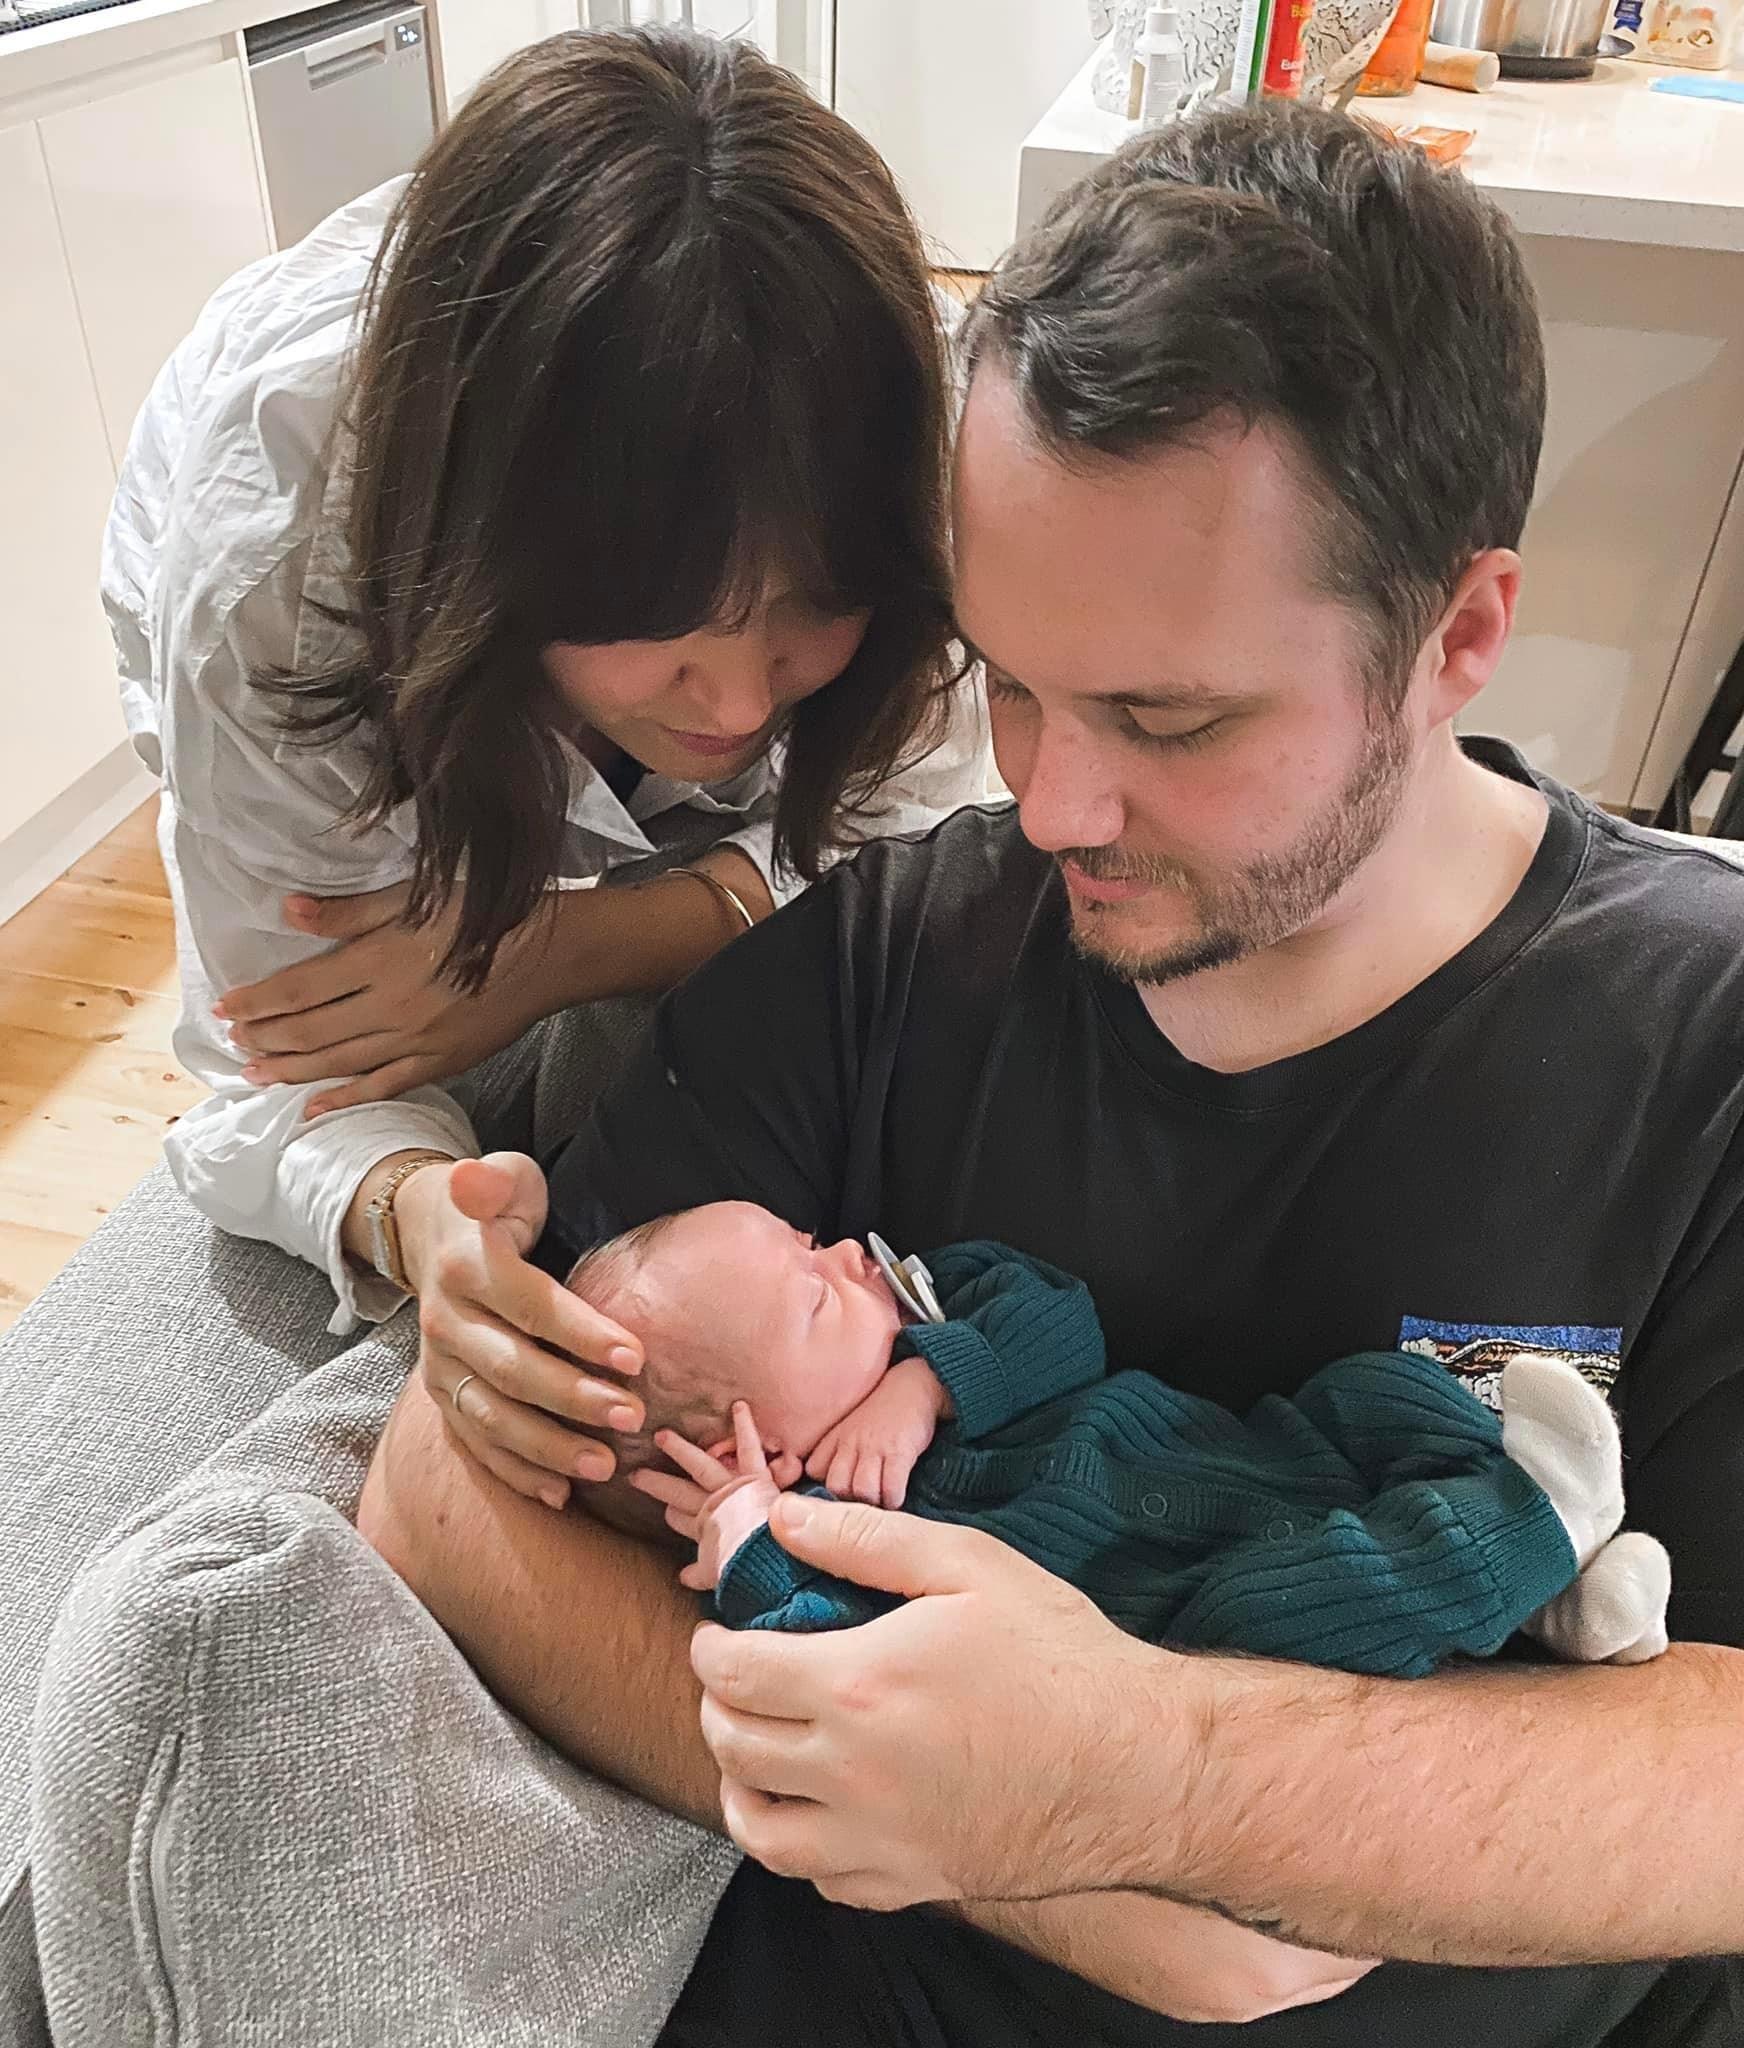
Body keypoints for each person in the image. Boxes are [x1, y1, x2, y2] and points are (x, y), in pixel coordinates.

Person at [357, 103, 1744, 2045]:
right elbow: (444, 1487)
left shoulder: (1694, 1060)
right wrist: (1075, 1874)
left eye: (1164, 717)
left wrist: (1162, 1772)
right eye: (1009, 677)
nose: (1045, 793)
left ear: (1457, 636)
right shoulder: (882, 964)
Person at [107, 24, 993, 1372]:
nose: (742, 699)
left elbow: (912, 849)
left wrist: (556, 952)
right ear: (499, 567)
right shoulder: (275, 567)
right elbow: (270, 1067)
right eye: (656, 620)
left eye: (817, 604)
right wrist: (424, 1224)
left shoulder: (917, 447)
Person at [559, 1202, 1668, 1672]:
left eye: (803, 1238)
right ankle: (1535, 1539)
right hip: (1197, 1601)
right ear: (751, 1444)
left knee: (1366, 1393)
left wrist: (925, 1384)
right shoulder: (837, 1532)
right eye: (811, 1296)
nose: (843, 1252)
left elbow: (1067, 1317)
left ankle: (1542, 1587)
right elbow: (824, 1648)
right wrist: (751, 1539)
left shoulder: (941, 1306)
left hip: (1249, 1450)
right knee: (1315, 1603)